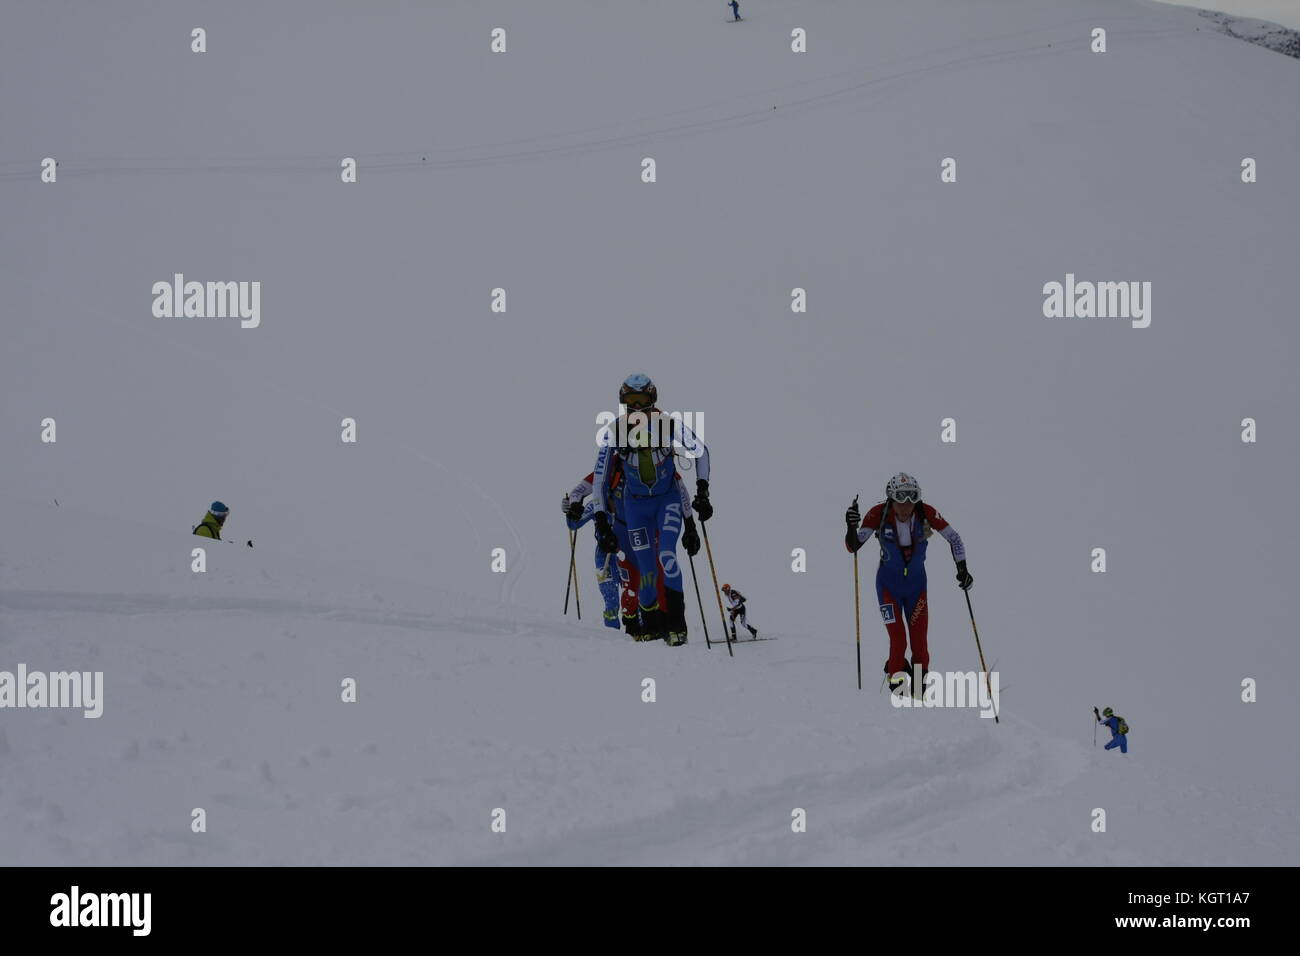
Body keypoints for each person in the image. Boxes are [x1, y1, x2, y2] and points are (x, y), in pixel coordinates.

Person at [592, 374, 708, 646]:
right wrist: (600, 520)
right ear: (623, 402)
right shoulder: (615, 431)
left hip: (665, 501)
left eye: (642, 400)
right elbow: (599, 478)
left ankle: (677, 625)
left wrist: (702, 492)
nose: (637, 407)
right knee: (646, 570)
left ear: (652, 399)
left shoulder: (668, 424)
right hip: (635, 507)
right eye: (631, 401)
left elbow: (701, 452)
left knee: (667, 554)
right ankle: (652, 625)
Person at [844, 473, 971, 693]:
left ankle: (920, 691)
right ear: (890, 499)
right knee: (899, 640)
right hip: (887, 588)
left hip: (916, 588)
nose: (906, 508)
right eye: (900, 502)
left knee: (920, 644)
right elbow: (853, 546)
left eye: (911, 501)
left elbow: (954, 538)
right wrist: (850, 525)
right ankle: (897, 690)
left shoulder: (925, 512)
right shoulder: (878, 514)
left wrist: (963, 569)